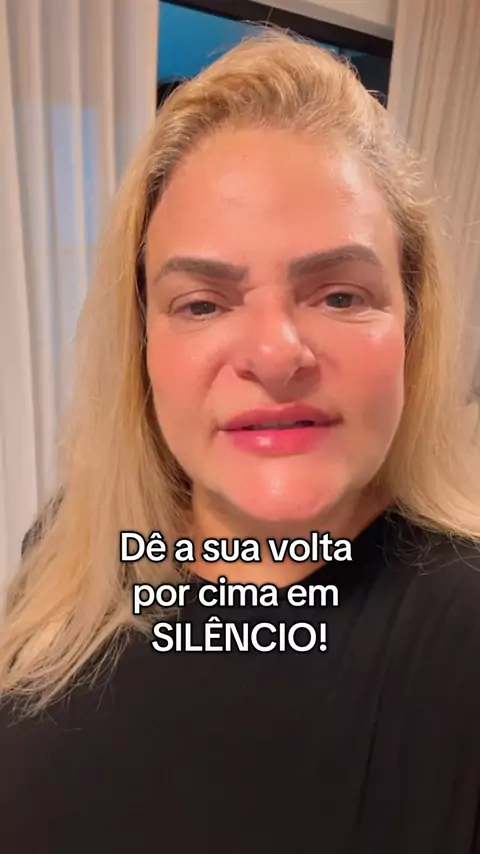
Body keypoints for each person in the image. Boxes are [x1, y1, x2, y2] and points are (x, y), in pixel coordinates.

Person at [1, 26, 480, 854]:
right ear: (141, 342)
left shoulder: (459, 641)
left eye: (339, 295)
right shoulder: (71, 547)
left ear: (413, 326)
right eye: (202, 304)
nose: (274, 354)